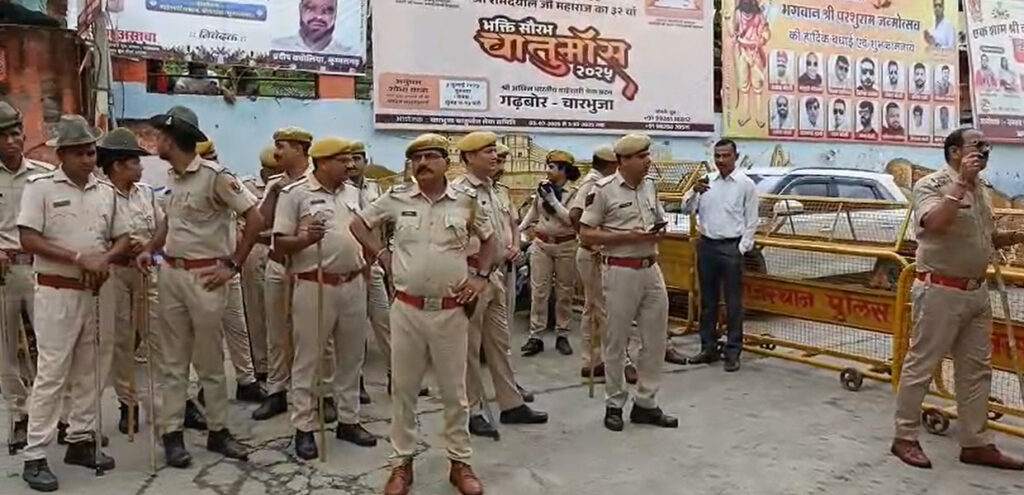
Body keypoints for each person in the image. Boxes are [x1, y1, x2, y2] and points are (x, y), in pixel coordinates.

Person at [350, 133, 497, 495]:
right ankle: (401, 464)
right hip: (407, 310)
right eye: (416, 158)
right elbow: (358, 225)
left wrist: (480, 277)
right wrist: (382, 255)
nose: (423, 163)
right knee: (403, 391)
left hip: (450, 312)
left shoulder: (466, 201)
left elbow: (490, 241)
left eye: (431, 156)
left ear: (447, 162)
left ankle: (460, 462)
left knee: (454, 392)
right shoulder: (396, 198)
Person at [891, 128, 1024, 471]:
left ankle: (976, 443)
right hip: (940, 291)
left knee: (976, 371)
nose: (985, 151)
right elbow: (934, 224)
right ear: (954, 152)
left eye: (986, 146)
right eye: (977, 145)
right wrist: (961, 183)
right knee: (921, 366)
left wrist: (1016, 235)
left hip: (976, 293)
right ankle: (904, 437)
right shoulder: (931, 185)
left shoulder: (981, 189)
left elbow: (985, 237)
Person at [138, 105, 261, 468]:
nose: (156, 142)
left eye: (161, 136)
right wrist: (150, 249)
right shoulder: (172, 178)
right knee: (173, 361)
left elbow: (255, 218)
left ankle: (218, 430)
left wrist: (233, 264)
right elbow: (170, 222)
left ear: (174, 139)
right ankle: (172, 435)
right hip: (171, 275)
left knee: (209, 361)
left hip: (207, 277)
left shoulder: (215, 177)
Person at [18, 115, 131, 492]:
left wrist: (105, 259)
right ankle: (35, 454)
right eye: (80, 152)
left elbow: (123, 237)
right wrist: (80, 259)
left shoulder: (105, 191)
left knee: (93, 368)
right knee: (52, 372)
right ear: (62, 154)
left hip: (97, 290)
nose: (88, 159)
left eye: (91, 152)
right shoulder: (40, 188)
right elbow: (29, 238)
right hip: (57, 291)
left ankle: (81, 439)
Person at [273, 137, 377, 460]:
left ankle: (349, 420)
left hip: (353, 283)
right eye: (343, 160)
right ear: (322, 162)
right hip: (314, 285)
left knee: (352, 358)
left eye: (351, 160)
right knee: (308, 359)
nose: (350, 165)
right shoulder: (295, 193)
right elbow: (279, 245)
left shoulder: (353, 192)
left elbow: (365, 230)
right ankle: (304, 427)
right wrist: (305, 239)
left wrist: (368, 262)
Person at [580, 134, 678, 432]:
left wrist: (658, 232)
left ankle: (646, 402)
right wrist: (626, 237)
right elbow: (586, 233)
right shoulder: (603, 190)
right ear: (623, 161)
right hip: (620, 271)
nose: (648, 161)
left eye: (648, 155)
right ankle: (614, 403)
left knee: (655, 340)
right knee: (616, 340)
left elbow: (659, 217)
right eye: (641, 156)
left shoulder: (650, 186)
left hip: (651, 268)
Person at [453, 132, 547, 441]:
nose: (495, 156)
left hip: (495, 275)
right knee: (468, 348)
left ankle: (511, 404)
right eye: (487, 151)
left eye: (495, 150)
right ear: (468, 157)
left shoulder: (495, 190)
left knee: (500, 342)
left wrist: (512, 247)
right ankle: (472, 411)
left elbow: (509, 226)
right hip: (470, 275)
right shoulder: (459, 193)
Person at [254, 127, 338, 423]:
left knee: (320, 334)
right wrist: (275, 193)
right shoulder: (275, 183)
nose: (276, 153)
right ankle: (277, 390)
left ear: (302, 149)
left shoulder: (319, 182)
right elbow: (260, 222)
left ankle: (324, 393)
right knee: (277, 329)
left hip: (311, 267)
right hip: (279, 264)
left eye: (282, 146)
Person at [95, 129, 163, 437]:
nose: (141, 167)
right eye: (135, 161)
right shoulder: (99, 195)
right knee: (121, 340)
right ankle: (128, 403)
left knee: (159, 335)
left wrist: (149, 246)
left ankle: (172, 402)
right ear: (118, 165)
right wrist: (120, 246)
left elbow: (162, 227)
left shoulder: (147, 193)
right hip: (116, 273)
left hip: (146, 270)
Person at [193, 139, 265, 405]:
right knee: (207, 333)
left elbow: (252, 216)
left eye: (214, 155)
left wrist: (236, 260)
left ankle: (247, 381)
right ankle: (207, 385)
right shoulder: (185, 185)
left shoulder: (224, 181)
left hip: (225, 263)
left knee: (237, 326)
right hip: (199, 268)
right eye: (208, 157)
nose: (214, 160)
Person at [0, 102, 53, 455]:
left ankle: (56, 416)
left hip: (39, 267)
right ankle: (19, 416)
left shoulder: (43, 175)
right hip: (3, 271)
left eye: (15, 133)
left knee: (51, 344)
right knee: (5, 351)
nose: (11, 141)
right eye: (3, 136)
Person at [569, 145, 645, 381]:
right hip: (594, 255)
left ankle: (592, 360)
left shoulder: (594, 181)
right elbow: (574, 214)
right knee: (608, 311)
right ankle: (622, 361)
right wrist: (591, 241)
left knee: (592, 308)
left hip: (589, 253)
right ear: (612, 164)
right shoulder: (595, 183)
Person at [682, 139, 758, 372]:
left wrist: (741, 248)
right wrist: (693, 192)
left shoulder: (745, 184)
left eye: (726, 156)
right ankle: (708, 347)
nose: (721, 160)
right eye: (717, 156)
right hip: (707, 245)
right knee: (707, 302)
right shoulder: (706, 181)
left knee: (733, 302)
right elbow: (686, 209)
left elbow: (752, 219)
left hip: (730, 247)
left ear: (736, 156)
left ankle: (733, 352)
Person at [519, 150, 581, 357]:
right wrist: (521, 228)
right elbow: (534, 210)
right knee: (539, 291)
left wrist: (553, 200)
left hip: (566, 244)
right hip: (542, 243)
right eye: (548, 166)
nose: (548, 171)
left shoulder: (574, 193)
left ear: (564, 170)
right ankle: (535, 335)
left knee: (565, 292)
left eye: (552, 167)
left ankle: (562, 334)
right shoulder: (543, 188)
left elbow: (570, 220)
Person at [346, 140, 390, 404]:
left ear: (365, 160)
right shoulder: (340, 191)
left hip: (373, 263)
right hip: (350, 266)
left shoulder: (376, 188)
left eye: (357, 158)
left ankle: (396, 376)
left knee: (384, 321)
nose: (352, 164)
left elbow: (386, 225)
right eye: (348, 159)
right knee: (354, 329)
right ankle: (357, 382)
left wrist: (385, 255)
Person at [240, 146, 279, 384]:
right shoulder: (246, 186)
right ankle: (261, 363)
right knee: (255, 309)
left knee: (281, 310)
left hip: (282, 248)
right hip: (256, 247)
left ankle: (282, 363)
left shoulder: (292, 185)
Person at [729, 0, 770, 127]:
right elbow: (732, 32)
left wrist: (762, 40)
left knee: (757, 85)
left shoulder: (759, 15)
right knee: (743, 85)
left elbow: (766, 32)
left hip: (755, 52)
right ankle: (745, 114)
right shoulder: (737, 14)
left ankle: (759, 116)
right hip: (742, 52)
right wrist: (727, 19)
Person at [271, 0, 355, 54]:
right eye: (310, 9)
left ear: (335, 14)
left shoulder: (349, 55)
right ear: (300, 10)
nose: (318, 16)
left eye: (327, 11)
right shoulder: (276, 48)